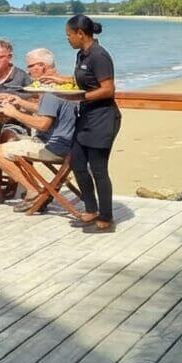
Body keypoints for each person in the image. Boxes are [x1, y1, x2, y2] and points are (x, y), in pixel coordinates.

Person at [43, 16, 121, 233]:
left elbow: (108, 89)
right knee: (77, 163)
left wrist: (81, 98)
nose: (67, 39)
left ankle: (106, 218)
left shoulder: (100, 56)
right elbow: (84, 80)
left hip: (103, 119)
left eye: (69, 35)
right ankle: (91, 209)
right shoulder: (82, 55)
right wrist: (61, 80)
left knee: (98, 169)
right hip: (86, 118)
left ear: (80, 33)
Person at [0, 49, 78, 210]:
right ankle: (34, 189)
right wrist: (20, 102)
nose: (28, 71)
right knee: (13, 140)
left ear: (42, 67)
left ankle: (33, 191)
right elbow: (46, 109)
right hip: (71, 145)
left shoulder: (50, 91)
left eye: (30, 66)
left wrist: (15, 113)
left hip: (54, 147)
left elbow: (43, 124)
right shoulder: (63, 86)